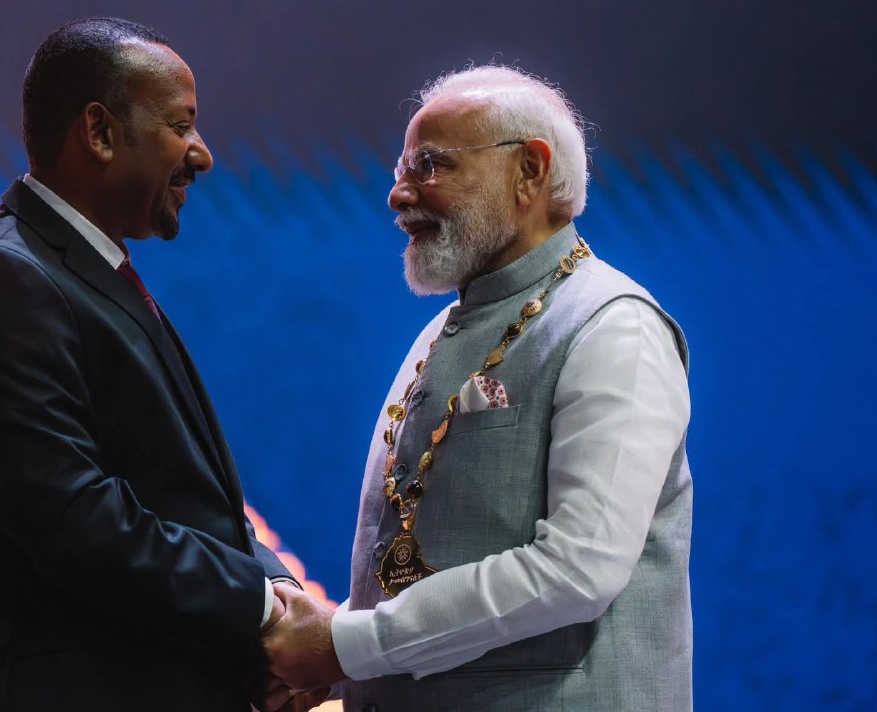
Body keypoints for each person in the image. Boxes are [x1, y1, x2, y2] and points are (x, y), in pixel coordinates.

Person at [262, 65, 693, 710]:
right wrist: (336, 664)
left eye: (430, 166)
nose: (398, 195)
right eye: (401, 169)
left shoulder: (614, 327)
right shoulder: (441, 332)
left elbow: (578, 569)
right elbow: (430, 563)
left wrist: (345, 645)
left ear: (530, 170)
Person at [0, 17, 301, 711]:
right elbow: (75, 519)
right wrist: (263, 610)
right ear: (99, 132)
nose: (202, 153)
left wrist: (278, 589)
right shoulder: (4, 278)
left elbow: (191, 504)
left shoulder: (83, 272)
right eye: (181, 125)